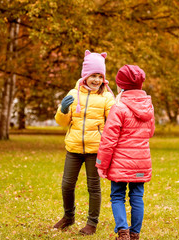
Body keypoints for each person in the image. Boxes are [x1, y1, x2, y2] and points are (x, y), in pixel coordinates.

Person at [54, 50, 115, 235]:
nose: (96, 80)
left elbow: (113, 122)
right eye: (93, 76)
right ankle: (68, 216)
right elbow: (62, 122)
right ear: (85, 75)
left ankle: (92, 223)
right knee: (66, 185)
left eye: (99, 76)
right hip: (73, 148)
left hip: (95, 150)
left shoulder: (106, 97)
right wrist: (63, 110)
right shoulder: (73, 94)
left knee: (93, 187)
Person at [96, 65, 155, 240]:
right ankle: (135, 233)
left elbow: (108, 141)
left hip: (120, 163)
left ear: (121, 86)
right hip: (141, 161)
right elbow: (150, 132)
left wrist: (101, 165)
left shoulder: (119, 108)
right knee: (137, 196)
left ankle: (123, 232)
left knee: (117, 196)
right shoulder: (148, 107)